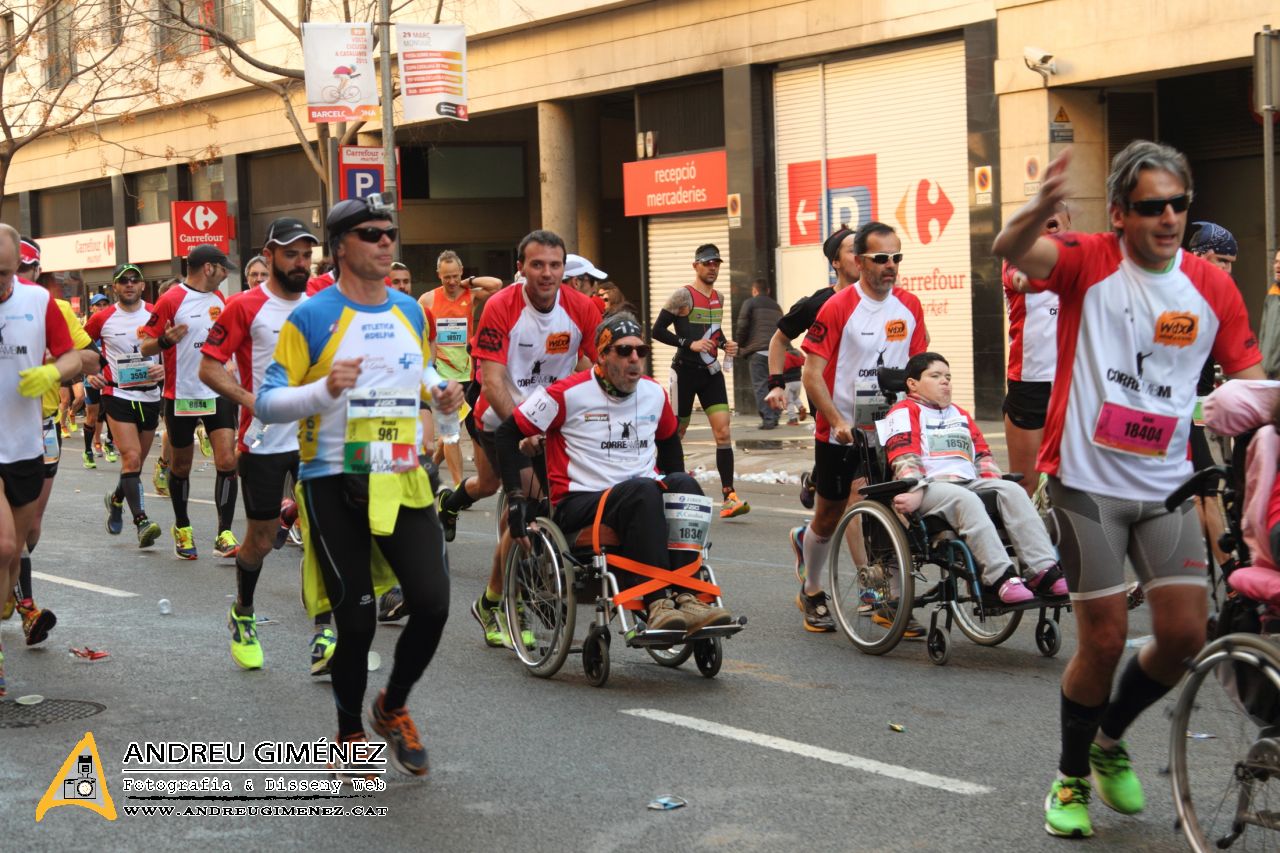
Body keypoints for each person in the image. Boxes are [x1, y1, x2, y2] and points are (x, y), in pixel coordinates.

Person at [992, 140, 1265, 839]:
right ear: (1119, 214)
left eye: (1179, 204)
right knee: (1106, 638)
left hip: (1168, 481)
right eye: (1151, 206)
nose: (1168, 217)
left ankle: (1111, 736)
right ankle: (1071, 775)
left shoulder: (1213, 285)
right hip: (1087, 482)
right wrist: (1035, 211)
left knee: (1182, 635)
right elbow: (1013, 247)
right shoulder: (1089, 261)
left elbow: (1250, 381)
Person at [256, 195, 461, 777]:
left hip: (396, 472)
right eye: (371, 234)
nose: (385, 243)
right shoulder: (311, 318)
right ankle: (348, 735)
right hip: (331, 479)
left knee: (433, 603)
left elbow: (420, 372)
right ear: (341, 246)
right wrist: (324, 391)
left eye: (390, 233)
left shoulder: (409, 311)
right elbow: (269, 402)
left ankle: (391, 705)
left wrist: (440, 392)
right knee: (358, 621)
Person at [497, 312, 733, 632]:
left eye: (641, 351)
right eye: (624, 351)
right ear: (603, 355)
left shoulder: (654, 393)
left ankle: (687, 593)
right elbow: (507, 433)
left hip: (636, 493)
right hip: (581, 500)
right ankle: (657, 601)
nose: (635, 359)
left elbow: (668, 444)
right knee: (643, 491)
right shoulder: (566, 393)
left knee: (685, 485)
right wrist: (514, 497)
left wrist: (676, 491)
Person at [437, 230, 600, 648]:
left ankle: (499, 595)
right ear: (521, 269)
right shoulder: (500, 306)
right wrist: (525, 427)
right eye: (537, 265)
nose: (547, 273)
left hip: (549, 420)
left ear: (565, 269)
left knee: (546, 500)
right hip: (500, 417)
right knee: (523, 500)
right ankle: (503, 600)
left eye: (555, 265)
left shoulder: (583, 308)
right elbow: (491, 381)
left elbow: (595, 365)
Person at [198, 218, 326, 672]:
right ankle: (243, 612)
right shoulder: (244, 306)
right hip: (266, 440)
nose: (300, 263)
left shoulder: (324, 303)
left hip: (320, 441)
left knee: (328, 532)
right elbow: (209, 369)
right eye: (291, 254)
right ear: (269, 254)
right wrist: (256, 402)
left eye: (307, 254)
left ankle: (324, 630)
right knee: (261, 539)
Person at [796, 222, 930, 633]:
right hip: (841, 428)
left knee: (887, 507)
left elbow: (920, 369)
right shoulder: (838, 307)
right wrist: (836, 421)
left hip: (888, 427)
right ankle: (813, 590)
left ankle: (882, 601)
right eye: (880, 259)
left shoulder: (909, 306)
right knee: (829, 515)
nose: (890, 266)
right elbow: (811, 375)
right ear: (859, 261)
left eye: (896, 258)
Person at [883, 352, 1066, 604]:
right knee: (966, 498)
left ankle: (1043, 571)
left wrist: (995, 487)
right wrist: (914, 487)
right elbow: (902, 452)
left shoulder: (959, 413)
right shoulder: (903, 410)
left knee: (1012, 491)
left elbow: (982, 454)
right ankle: (999, 578)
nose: (945, 381)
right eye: (935, 376)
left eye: (948, 376)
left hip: (966, 482)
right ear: (912, 384)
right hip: (929, 487)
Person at [0, 222, 82, 696]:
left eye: (7, 273)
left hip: (26, 444)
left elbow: (77, 357)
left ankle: (12, 600)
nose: (1, 283)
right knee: (4, 547)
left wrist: (53, 369)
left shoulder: (37, 301)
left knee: (21, 544)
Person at [140, 244, 242, 560]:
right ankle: (182, 527)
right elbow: (145, 345)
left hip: (218, 391)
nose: (227, 273)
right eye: (223, 267)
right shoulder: (171, 299)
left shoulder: (219, 300)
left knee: (227, 461)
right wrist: (166, 340)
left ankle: (224, 532)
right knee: (181, 465)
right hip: (183, 394)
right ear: (208, 268)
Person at [652, 243, 748, 518]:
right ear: (696, 265)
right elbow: (658, 330)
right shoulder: (683, 295)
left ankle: (729, 496)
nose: (712, 268)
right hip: (684, 371)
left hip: (710, 373)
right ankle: (664, 487)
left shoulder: (719, 297)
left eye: (716, 263)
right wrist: (688, 343)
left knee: (723, 432)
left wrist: (727, 345)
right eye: (707, 263)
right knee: (676, 433)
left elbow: (713, 334)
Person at [84, 263, 165, 549]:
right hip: (117, 394)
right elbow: (81, 345)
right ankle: (142, 522)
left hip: (150, 395)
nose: (129, 284)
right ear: (114, 287)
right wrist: (90, 372)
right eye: (123, 281)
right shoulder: (103, 318)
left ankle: (116, 500)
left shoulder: (156, 313)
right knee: (130, 458)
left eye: (135, 280)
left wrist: (164, 370)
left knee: (137, 464)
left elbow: (173, 348)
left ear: (143, 285)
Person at [1003, 203, 1072, 498]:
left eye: (1055, 212)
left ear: (1068, 222)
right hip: (1031, 383)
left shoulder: (1087, 261)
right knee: (1025, 484)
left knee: (1073, 482)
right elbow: (1021, 279)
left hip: (1075, 383)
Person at [1186, 221, 1240, 573]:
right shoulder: (1183, 293)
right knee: (1201, 488)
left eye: (1231, 263)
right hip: (1173, 408)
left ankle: (1218, 568)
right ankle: (1219, 570)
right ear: (1202, 257)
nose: (1228, 269)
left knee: (1206, 486)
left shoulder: (1215, 296)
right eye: (1222, 260)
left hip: (1199, 405)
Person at [736, 277, 783, 430]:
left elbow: (742, 325)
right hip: (776, 353)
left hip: (758, 352)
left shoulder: (750, 303)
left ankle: (768, 419)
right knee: (774, 385)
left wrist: (740, 345)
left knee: (761, 386)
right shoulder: (777, 306)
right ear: (768, 291)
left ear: (754, 290)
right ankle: (775, 417)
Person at [81, 293, 117, 468]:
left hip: (110, 375)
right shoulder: (87, 328)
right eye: (98, 305)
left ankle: (109, 443)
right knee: (92, 415)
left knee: (112, 411)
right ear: (92, 308)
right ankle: (88, 450)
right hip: (93, 376)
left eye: (105, 304)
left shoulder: (111, 326)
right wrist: (88, 373)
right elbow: (78, 352)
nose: (102, 307)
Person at [1259, 249, 1280, 379]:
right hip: (1267, 374)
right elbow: (1263, 334)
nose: (1278, 266)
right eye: (1276, 262)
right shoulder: (1271, 295)